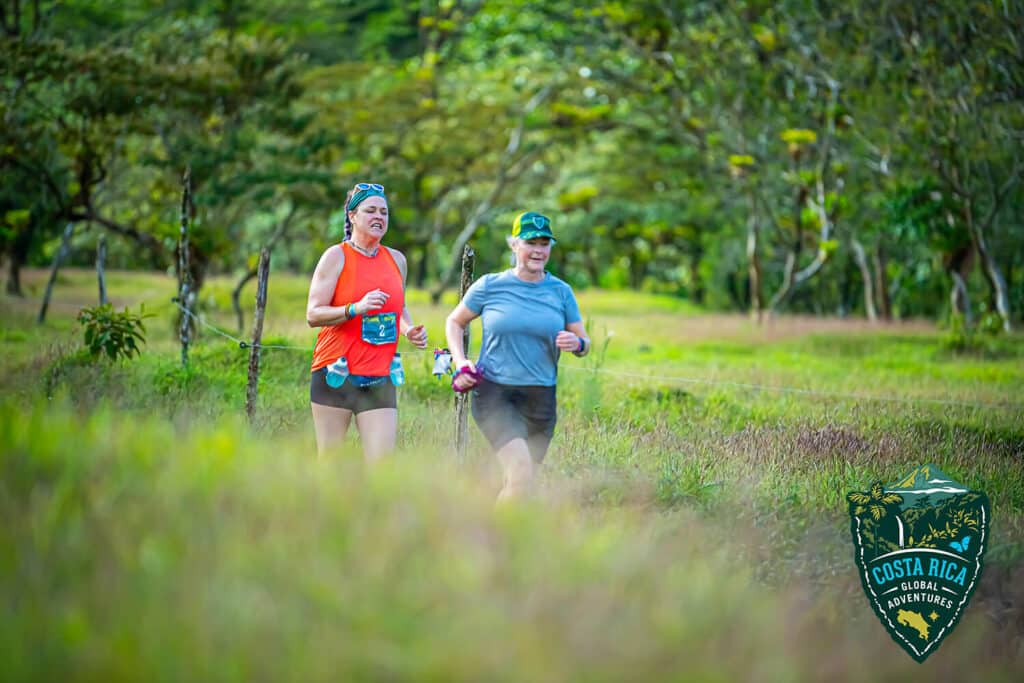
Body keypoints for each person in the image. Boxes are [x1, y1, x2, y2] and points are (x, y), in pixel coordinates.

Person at [445, 211, 589, 501]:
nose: (538, 250)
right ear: (514, 245)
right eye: (530, 242)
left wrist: (576, 343)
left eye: (544, 243)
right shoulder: (490, 285)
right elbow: (454, 322)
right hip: (495, 393)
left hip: (541, 398)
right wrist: (460, 361)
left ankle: (500, 535)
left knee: (522, 483)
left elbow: (584, 342)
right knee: (521, 473)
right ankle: (492, 542)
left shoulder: (561, 292)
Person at [307, 182, 428, 460]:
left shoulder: (397, 259)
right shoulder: (336, 256)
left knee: (381, 467)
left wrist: (409, 330)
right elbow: (313, 314)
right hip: (336, 372)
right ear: (352, 216)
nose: (379, 217)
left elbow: (399, 308)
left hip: (379, 374)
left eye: (384, 212)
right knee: (330, 462)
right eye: (370, 210)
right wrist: (355, 308)